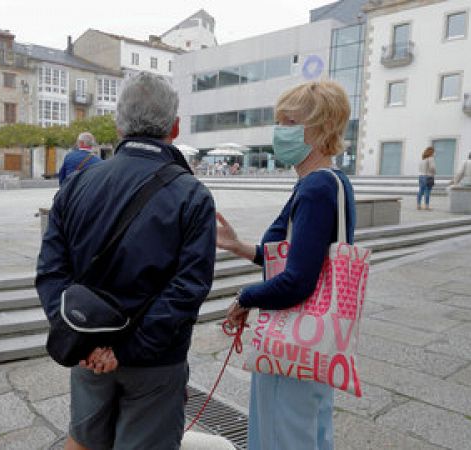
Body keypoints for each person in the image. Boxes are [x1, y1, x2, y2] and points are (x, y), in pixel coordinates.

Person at [36, 72, 216, 450]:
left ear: (119, 125)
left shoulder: (76, 185)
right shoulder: (192, 196)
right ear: (175, 126)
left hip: (89, 353)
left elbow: (52, 272)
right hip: (156, 362)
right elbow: (188, 290)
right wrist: (125, 351)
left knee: (83, 440)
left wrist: (83, 342)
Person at [215, 80, 356, 450]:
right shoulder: (333, 182)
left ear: (320, 127)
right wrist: (239, 246)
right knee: (310, 431)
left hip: (292, 339)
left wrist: (245, 297)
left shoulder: (314, 188)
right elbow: (290, 254)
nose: (281, 132)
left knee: (281, 435)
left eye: (290, 122)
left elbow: (296, 280)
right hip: (318, 339)